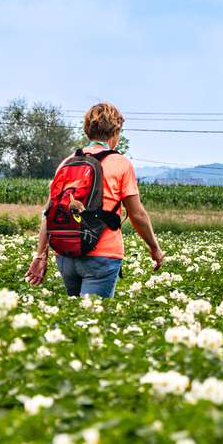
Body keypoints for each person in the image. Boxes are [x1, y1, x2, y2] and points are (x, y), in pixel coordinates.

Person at [26, 102, 164, 298]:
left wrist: (41, 255)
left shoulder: (67, 162)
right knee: (93, 322)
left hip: (66, 256)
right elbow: (137, 215)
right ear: (115, 131)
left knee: (76, 320)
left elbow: (48, 212)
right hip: (102, 256)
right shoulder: (121, 164)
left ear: (88, 131)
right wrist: (155, 248)